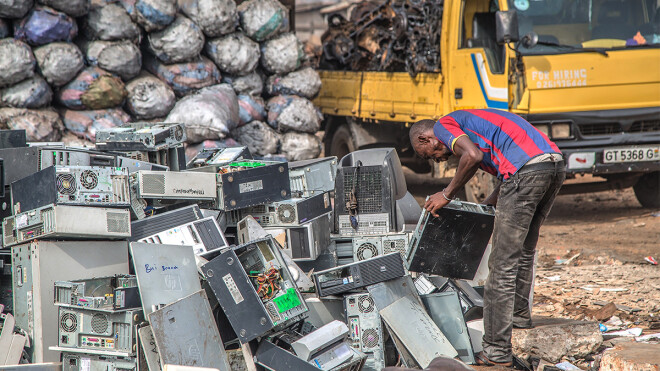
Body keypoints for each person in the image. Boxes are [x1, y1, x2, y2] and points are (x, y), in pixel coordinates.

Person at [408, 109, 565, 366]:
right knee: (524, 249)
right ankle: (518, 317)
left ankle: (496, 351)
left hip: (528, 171)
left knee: (501, 265)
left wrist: (446, 194)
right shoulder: (473, 125)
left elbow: (473, 156)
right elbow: (511, 169)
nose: (440, 159)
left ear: (426, 139)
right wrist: (489, 203)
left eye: (433, 155)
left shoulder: (443, 126)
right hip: (552, 164)